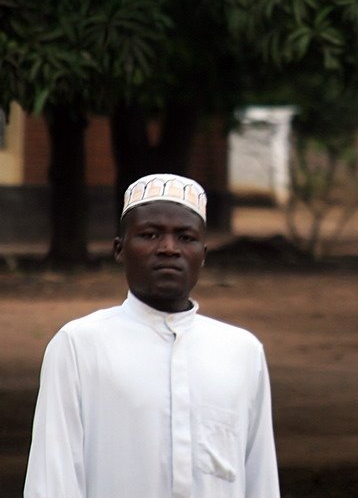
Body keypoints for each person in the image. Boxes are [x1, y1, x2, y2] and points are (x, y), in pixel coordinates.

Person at [24, 173, 280, 498]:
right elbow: (52, 478)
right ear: (120, 249)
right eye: (150, 234)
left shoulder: (241, 352)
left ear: (203, 253)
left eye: (185, 237)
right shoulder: (79, 345)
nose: (169, 248)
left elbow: (261, 478)